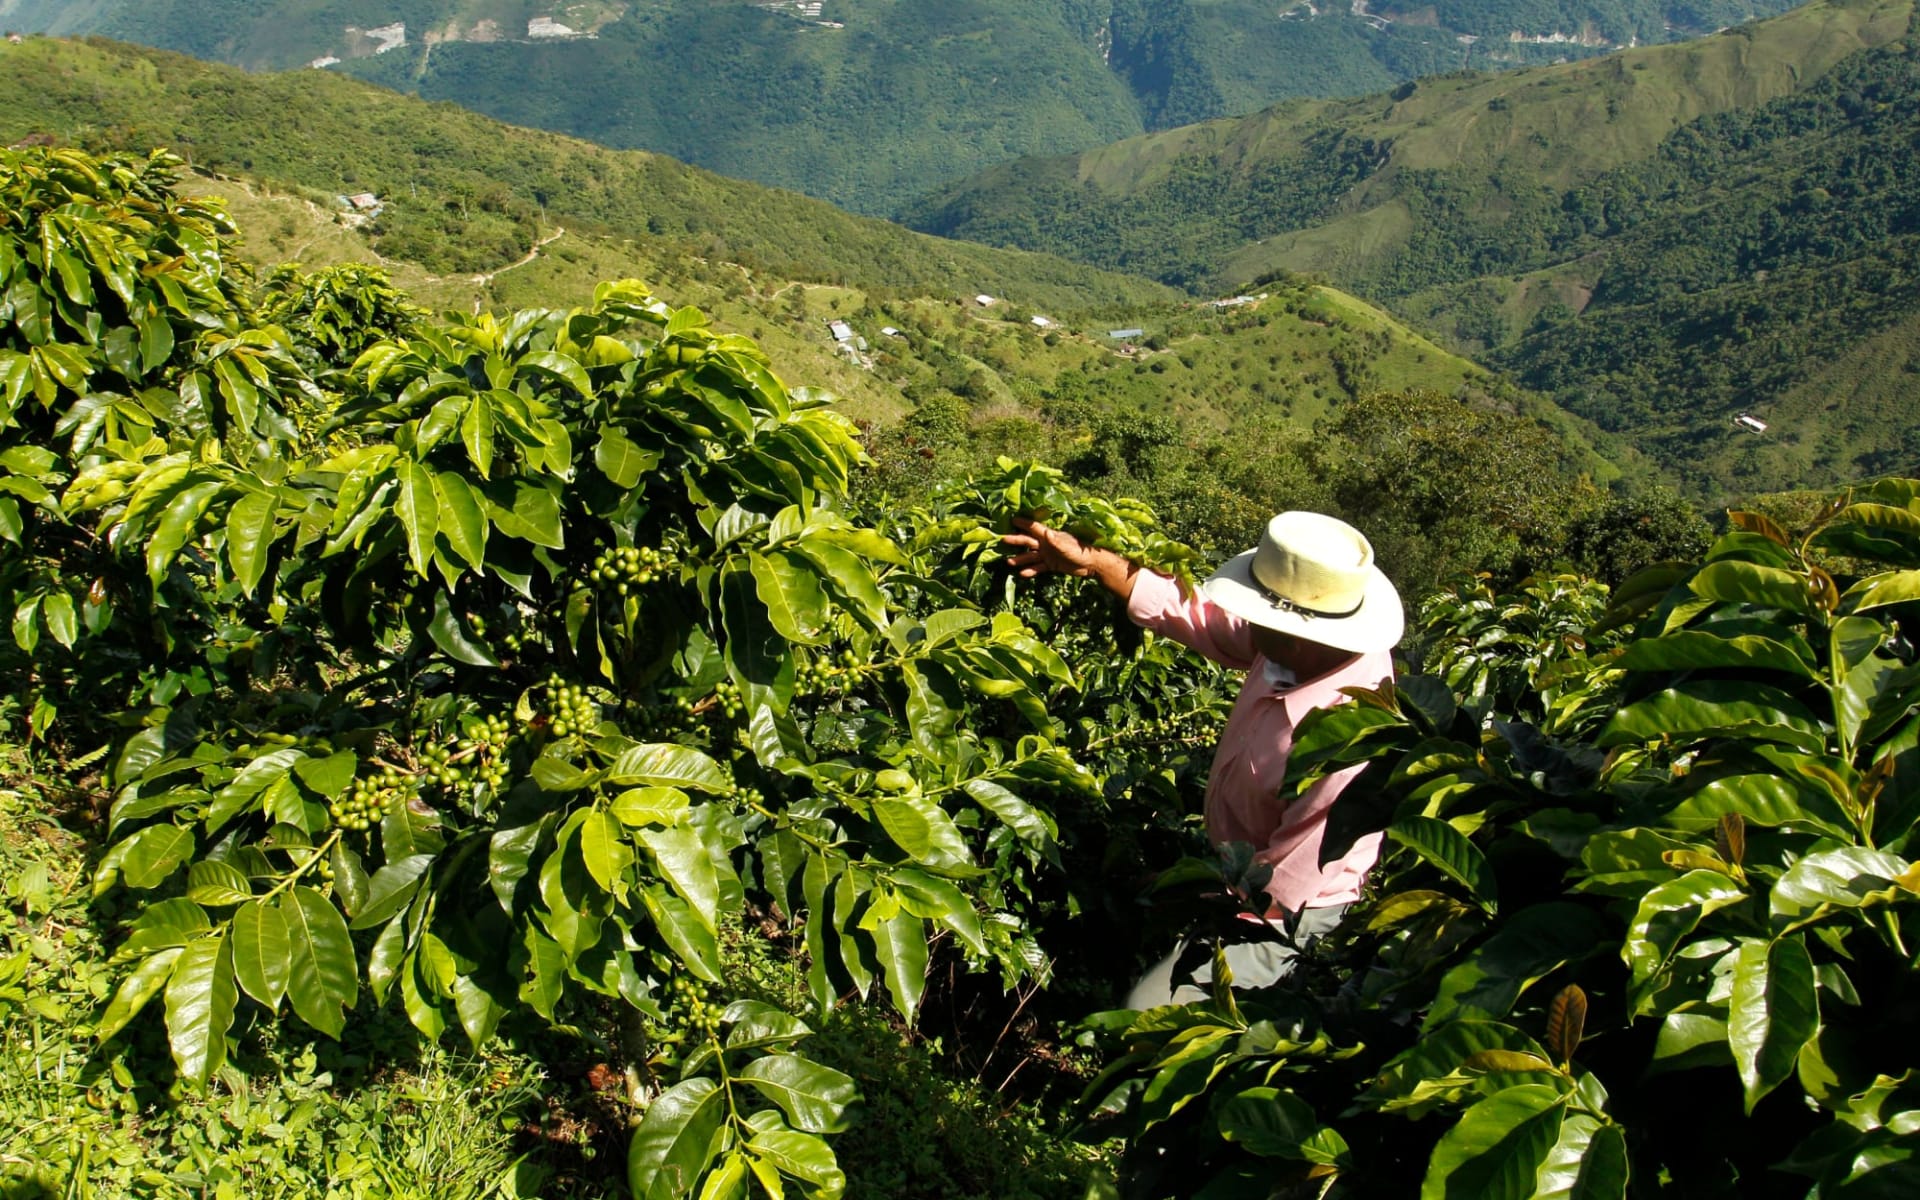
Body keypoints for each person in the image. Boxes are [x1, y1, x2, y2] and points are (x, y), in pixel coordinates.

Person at [1003, 509, 1403, 1008]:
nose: (1246, 619)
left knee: (1147, 1015)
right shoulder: (1299, 649)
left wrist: (1197, 893)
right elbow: (1199, 616)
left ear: (1296, 634)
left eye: (1258, 614)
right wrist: (1090, 562)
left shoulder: (1348, 744)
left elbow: (1285, 885)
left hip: (1289, 915)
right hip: (1239, 869)